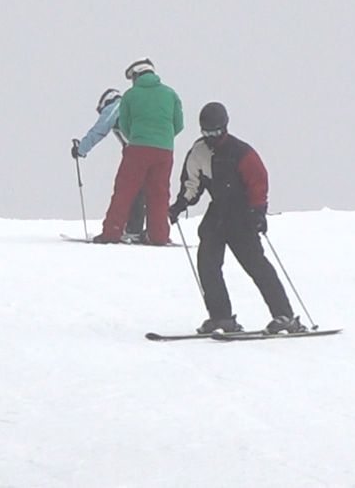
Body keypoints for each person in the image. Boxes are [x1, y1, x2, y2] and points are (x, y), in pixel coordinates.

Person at [168, 102, 306, 335]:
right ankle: (221, 318)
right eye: (206, 132)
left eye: (215, 132)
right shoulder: (199, 151)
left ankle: (285, 316)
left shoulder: (241, 152)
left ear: (225, 127)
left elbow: (258, 181)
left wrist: (258, 212)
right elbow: (192, 183)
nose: (211, 137)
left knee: (256, 265)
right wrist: (179, 205)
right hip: (218, 214)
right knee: (208, 264)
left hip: (242, 215)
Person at [92, 58, 184, 245]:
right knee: (159, 194)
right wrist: (162, 138)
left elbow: (125, 125)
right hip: (165, 151)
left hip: (138, 149)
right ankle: (158, 236)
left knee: (125, 191)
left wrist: (139, 137)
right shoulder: (171, 94)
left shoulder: (130, 95)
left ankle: (112, 232)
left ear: (136, 75)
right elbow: (179, 124)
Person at [71, 88, 147, 242]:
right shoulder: (132, 108)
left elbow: (99, 130)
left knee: (125, 188)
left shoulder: (115, 107)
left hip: (136, 151)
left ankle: (121, 229)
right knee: (142, 190)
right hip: (154, 148)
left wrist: (81, 149)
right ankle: (138, 228)